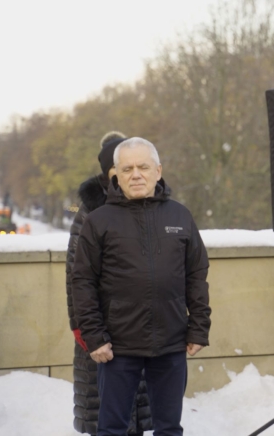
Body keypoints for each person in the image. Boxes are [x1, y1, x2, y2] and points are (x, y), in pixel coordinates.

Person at [72, 137, 211, 436]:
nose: (136, 174)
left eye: (143, 167)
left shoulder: (180, 216)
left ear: (158, 171)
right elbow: (82, 282)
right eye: (127, 168)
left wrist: (199, 327)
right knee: (111, 429)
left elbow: (196, 274)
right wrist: (94, 337)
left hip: (171, 344)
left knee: (169, 428)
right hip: (117, 347)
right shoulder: (97, 221)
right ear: (116, 176)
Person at [67, 132, 152, 435]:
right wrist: (84, 330)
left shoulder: (148, 207)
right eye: (124, 168)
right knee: (108, 415)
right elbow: (76, 278)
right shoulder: (91, 215)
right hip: (99, 330)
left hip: (139, 329)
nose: (132, 174)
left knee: (137, 414)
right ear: (109, 172)